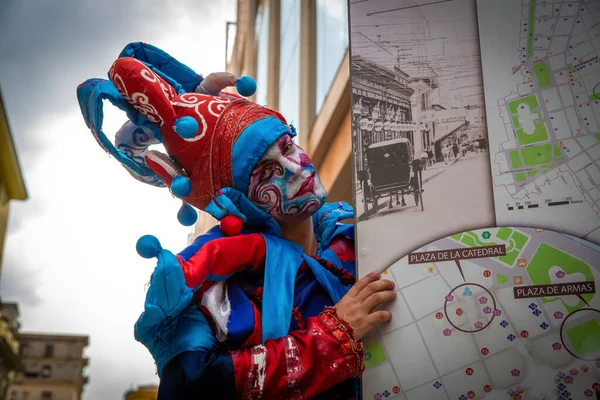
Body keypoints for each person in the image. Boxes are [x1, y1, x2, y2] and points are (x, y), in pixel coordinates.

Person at [77, 42, 396, 400]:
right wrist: (330, 339)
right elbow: (191, 387)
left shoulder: (357, 230)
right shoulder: (207, 282)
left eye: (288, 147)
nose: (294, 168)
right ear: (237, 203)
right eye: (266, 170)